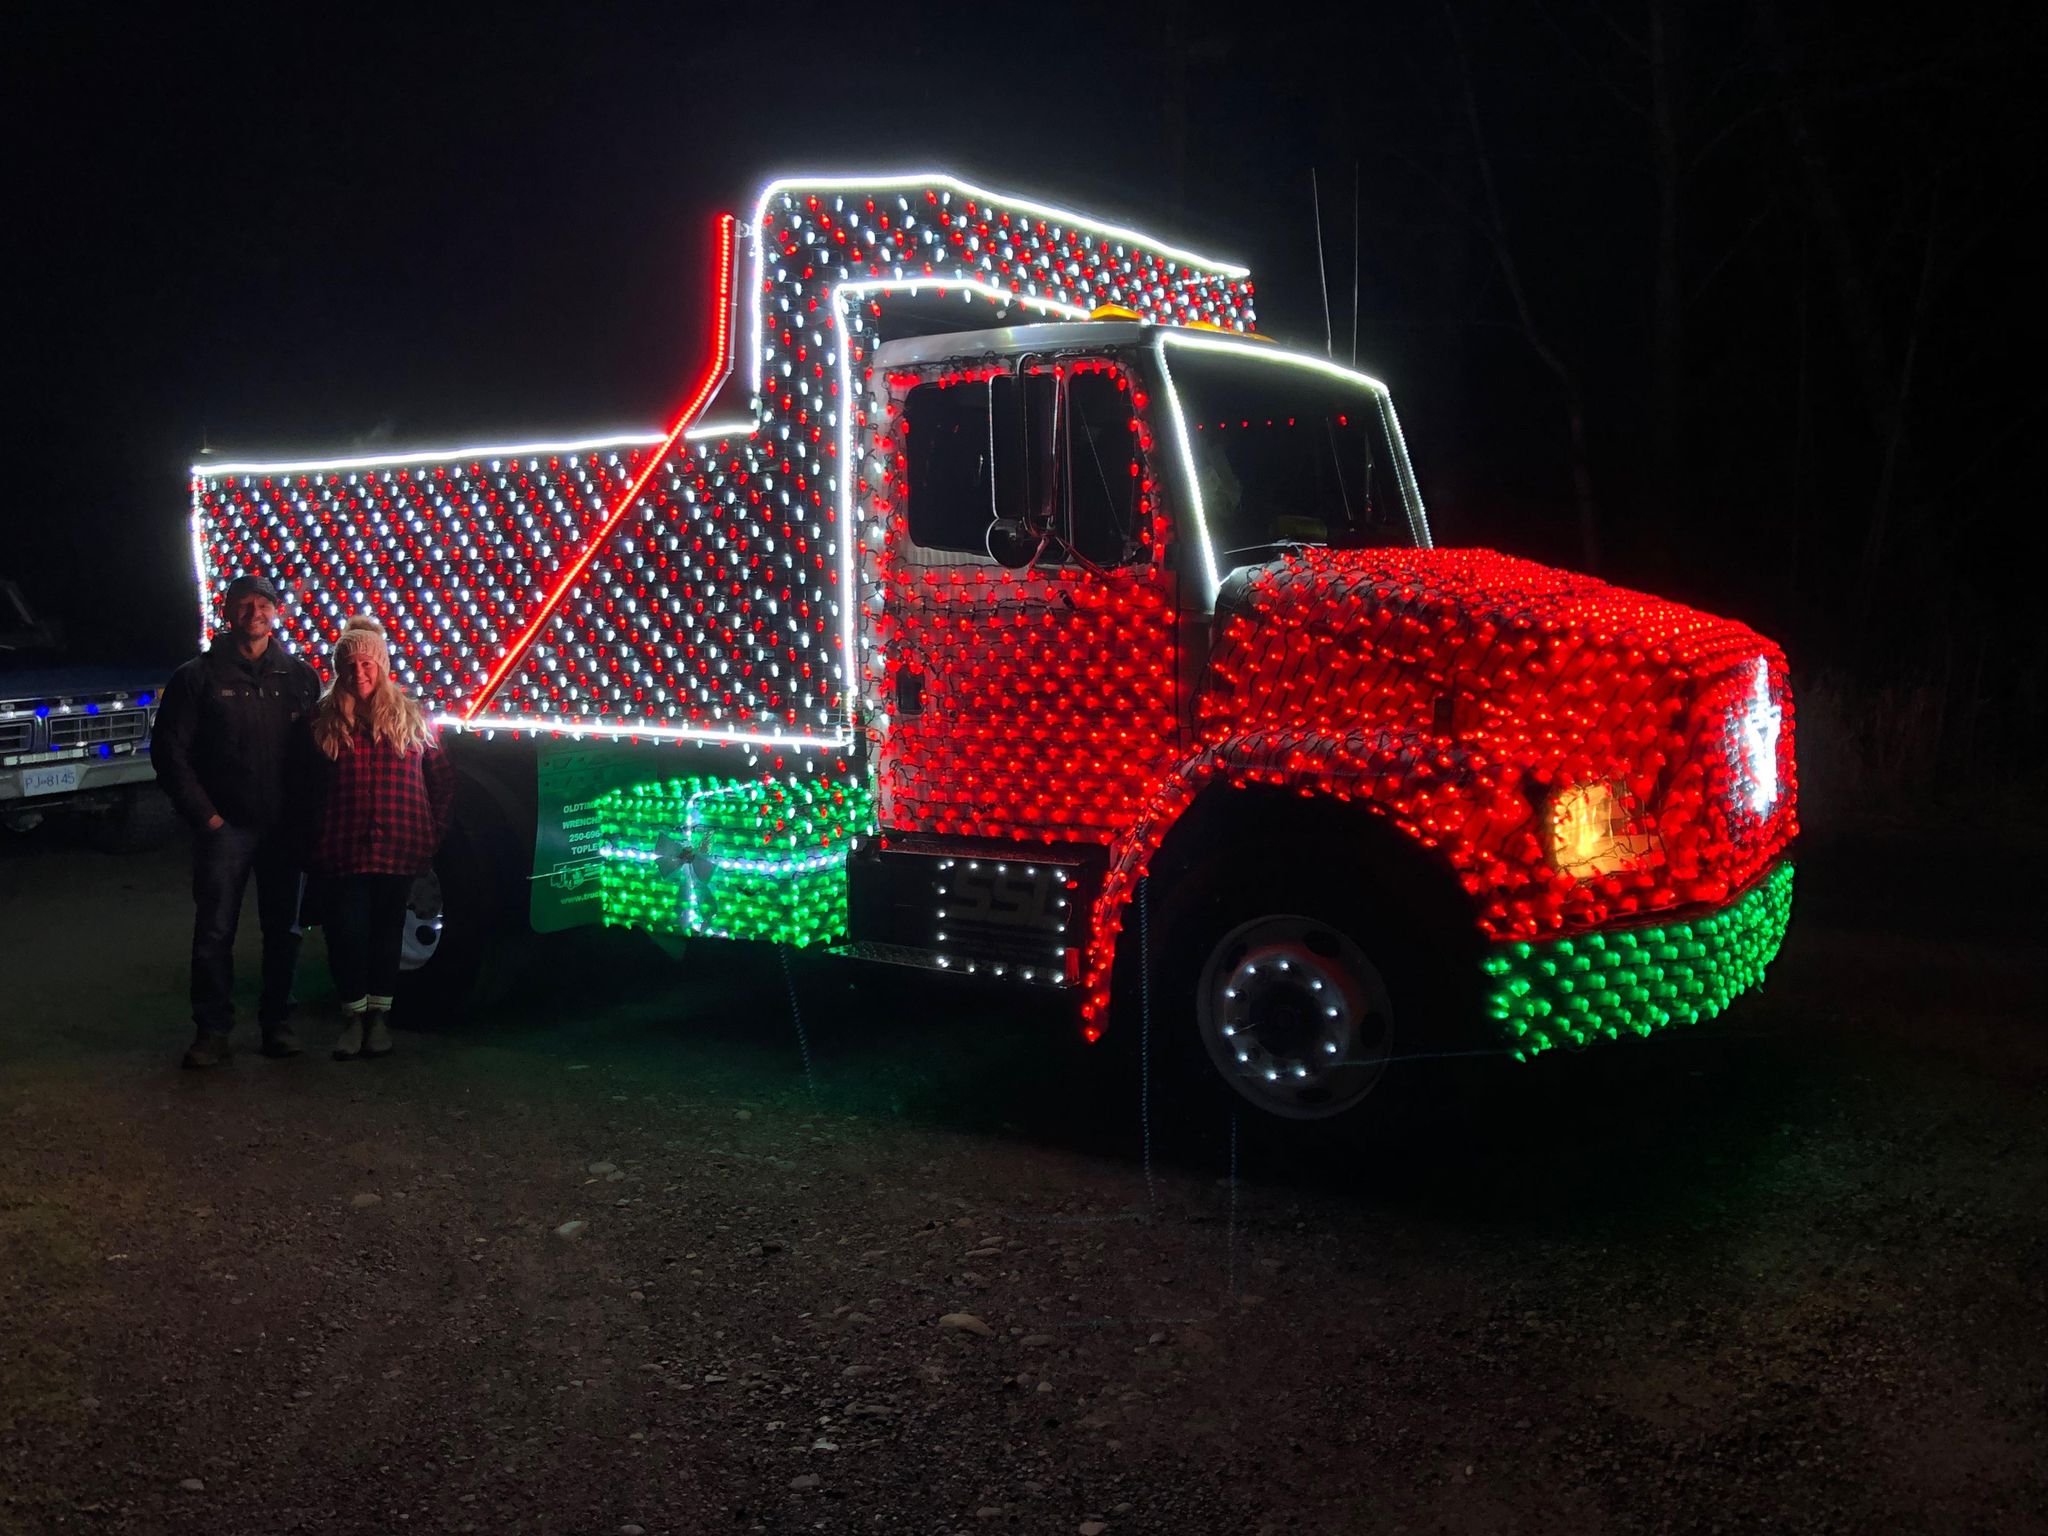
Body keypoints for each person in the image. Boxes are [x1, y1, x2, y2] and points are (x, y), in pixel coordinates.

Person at [152, 573, 323, 1068]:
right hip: (226, 830)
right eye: (244, 604)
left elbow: (316, 753)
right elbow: (169, 753)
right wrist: (206, 818)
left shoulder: (299, 677)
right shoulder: (197, 677)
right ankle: (212, 1032)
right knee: (214, 933)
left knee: (285, 932)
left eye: (263, 604)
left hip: (284, 829)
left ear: (277, 611)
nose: (254, 613)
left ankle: (278, 1024)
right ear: (228, 613)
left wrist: (310, 816)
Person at [304, 614, 453, 1060]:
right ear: (339, 670)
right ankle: (352, 1019)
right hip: (343, 846)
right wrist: (310, 839)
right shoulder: (323, 721)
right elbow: (305, 787)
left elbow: (442, 780)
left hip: (398, 845)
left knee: (387, 935)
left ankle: (379, 1021)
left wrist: (434, 832)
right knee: (347, 933)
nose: (360, 672)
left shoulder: (413, 717)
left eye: (367, 663)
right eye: (350, 665)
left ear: (382, 666)